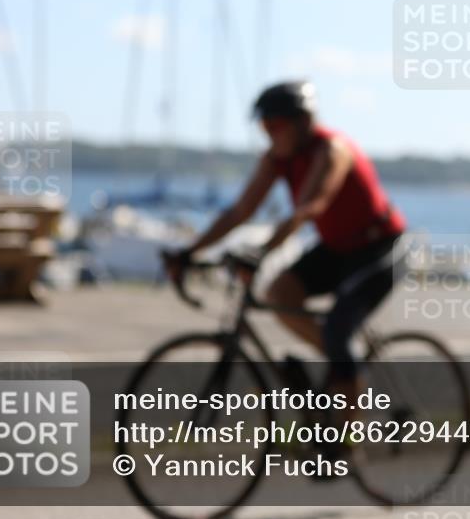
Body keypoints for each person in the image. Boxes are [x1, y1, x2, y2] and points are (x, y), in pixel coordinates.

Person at [166, 80, 406, 405]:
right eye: (264, 127)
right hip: (338, 247)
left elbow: (309, 208)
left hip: (379, 247)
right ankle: (346, 369)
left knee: (337, 329)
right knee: (280, 294)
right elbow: (241, 210)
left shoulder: (332, 150)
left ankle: (347, 438)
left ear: (303, 121)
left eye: (275, 125)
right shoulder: (278, 157)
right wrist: (190, 251)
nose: (268, 134)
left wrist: (262, 252)